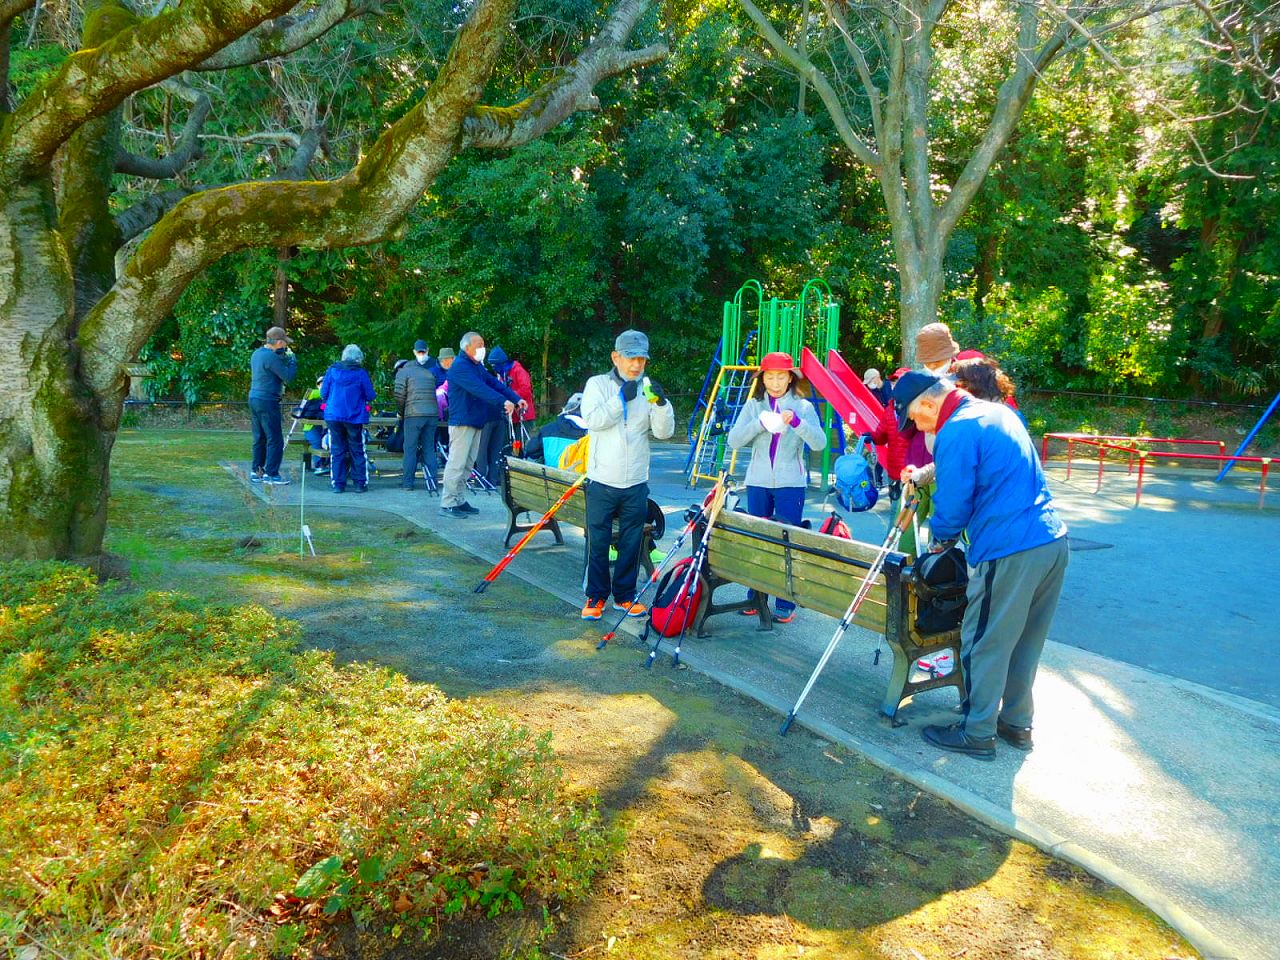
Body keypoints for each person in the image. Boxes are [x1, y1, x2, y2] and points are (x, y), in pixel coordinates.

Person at [893, 370, 1069, 759]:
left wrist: (940, 542)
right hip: (1051, 541)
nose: (917, 427)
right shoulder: (998, 413)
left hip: (1008, 549)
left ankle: (976, 731)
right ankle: (1016, 723)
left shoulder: (955, 430)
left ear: (927, 402)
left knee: (982, 641)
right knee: (1025, 641)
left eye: (915, 418)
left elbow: (953, 504)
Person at [579, 330, 675, 621]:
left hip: (635, 481)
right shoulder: (598, 384)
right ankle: (595, 596)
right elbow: (593, 420)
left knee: (632, 543)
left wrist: (661, 404)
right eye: (631, 358)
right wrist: (620, 399)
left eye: (641, 359)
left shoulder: (646, 388)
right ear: (615, 357)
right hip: (602, 480)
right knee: (598, 541)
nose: (636, 365)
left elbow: (664, 432)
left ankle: (625, 596)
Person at [727, 352, 826, 623]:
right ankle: (756, 596)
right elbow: (734, 441)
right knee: (759, 539)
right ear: (762, 379)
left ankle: (785, 601)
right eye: (769, 377)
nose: (775, 382)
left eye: (780, 376)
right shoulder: (754, 406)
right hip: (757, 481)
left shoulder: (803, 407)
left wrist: (796, 422)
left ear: (790, 377)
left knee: (786, 543)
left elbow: (819, 443)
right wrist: (759, 424)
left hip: (790, 483)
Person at [440, 332, 525, 518]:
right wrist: (503, 401)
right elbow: (480, 389)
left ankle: (459, 500)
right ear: (467, 347)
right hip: (462, 421)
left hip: (476, 420)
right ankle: (448, 502)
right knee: (457, 463)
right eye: (478, 345)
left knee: (469, 463)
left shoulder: (476, 366)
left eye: (483, 345)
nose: (482, 349)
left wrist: (516, 398)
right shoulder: (461, 367)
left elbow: (493, 383)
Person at [321, 344, 376, 494]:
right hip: (354, 416)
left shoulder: (332, 371)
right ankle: (360, 483)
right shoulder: (360, 373)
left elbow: (323, 393)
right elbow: (370, 395)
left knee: (337, 450)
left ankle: (338, 484)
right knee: (357, 449)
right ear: (359, 359)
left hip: (334, 415)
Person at [248, 325, 297, 485]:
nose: (285, 345)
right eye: (284, 342)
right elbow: (287, 377)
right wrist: (292, 362)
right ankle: (272, 474)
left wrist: (281, 357)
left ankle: (257, 470)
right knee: (274, 438)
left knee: (259, 437)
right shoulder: (271, 357)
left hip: (254, 397)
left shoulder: (257, 354)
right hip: (267, 400)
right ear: (278, 342)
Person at [395, 339, 439, 491]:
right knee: (429, 449)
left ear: (413, 352)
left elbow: (399, 394)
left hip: (413, 415)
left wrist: (401, 413)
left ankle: (408, 483)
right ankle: (433, 483)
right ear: (428, 350)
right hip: (432, 414)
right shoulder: (434, 368)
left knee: (410, 449)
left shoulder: (405, 371)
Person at [526, 393, 587, 466]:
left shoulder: (547, 429)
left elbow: (531, 451)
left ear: (567, 408)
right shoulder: (593, 435)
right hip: (578, 477)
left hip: (550, 476)